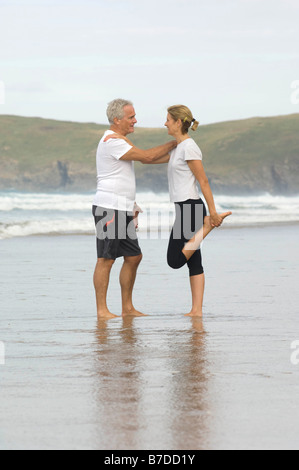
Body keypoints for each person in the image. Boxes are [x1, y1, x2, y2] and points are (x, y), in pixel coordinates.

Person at [92, 99, 177, 319]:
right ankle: (102, 310)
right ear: (117, 119)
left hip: (123, 208)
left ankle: (127, 308)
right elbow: (147, 156)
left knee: (133, 256)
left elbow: (147, 160)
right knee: (106, 259)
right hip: (108, 208)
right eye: (131, 117)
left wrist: (180, 157)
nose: (135, 121)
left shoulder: (119, 140)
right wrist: (177, 141)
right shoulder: (112, 141)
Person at [164, 105, 232, 317]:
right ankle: (196, 311)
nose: (165, 123)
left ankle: (208, 226)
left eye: (167, 119)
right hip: (184, 208)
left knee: (174, 261)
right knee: (194, 261)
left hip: (190, 208)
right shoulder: (178, 148)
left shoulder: (189, 147)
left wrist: (212, 213)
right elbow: (149, 158)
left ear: (177, 122)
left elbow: (203, 180)